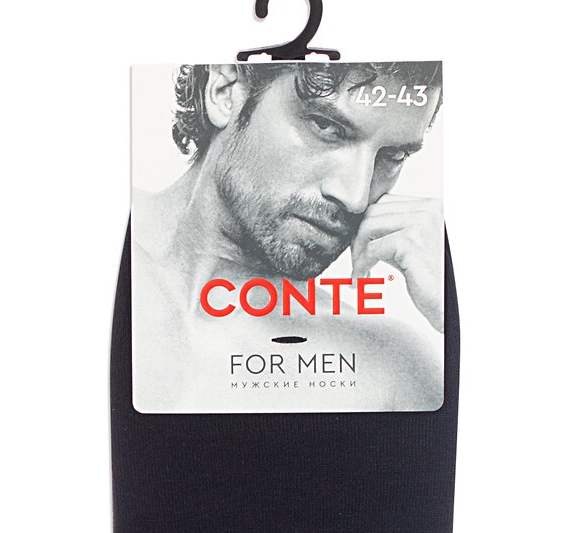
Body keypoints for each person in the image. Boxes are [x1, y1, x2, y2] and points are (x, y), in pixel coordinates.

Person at [132, 61, 444, 412]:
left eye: (393, 155)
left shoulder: (390, 370)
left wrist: (452, 310)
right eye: (326, 126)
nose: (355, 196)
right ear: (224, 91)